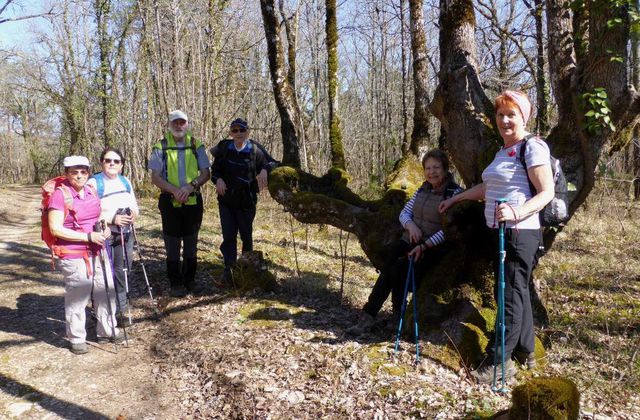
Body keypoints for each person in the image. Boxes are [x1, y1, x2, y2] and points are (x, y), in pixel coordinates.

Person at [438, 90, 554, 383]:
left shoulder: (533, 147)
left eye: (511, 114)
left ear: (523, 117)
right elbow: (487, 189)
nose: (504, 120)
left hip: (519, 232)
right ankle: (527, 351)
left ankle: (500, 362)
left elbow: (546, 192)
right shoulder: (503, 152)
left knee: (509, 295)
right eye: (500, 115)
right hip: (500, 232)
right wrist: (456, 199)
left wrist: (517, 212)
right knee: (516, 290)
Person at [347, 149, 462, 335]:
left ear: (446, 169)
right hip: (409, 239)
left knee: (398, 270)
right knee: (388, 269)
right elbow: (404, 213)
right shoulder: (422, 189)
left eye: (436, 167)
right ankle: (368, 315)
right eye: (428, 168)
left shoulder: (454, 194)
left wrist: (425, 244)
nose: (432, 172)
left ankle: (396, 316)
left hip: (432, 247)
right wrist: (411, 226)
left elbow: (449, 230)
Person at [47, 155, 121, 354]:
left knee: (106, 290)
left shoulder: (91, 190)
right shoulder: (60, 195)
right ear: (67, 173)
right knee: (79, 294)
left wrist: (104, 229)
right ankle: (77, 337)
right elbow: (55, 229)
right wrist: (87, 236)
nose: (79, 176)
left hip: (98, 247)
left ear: (88, 172)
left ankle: (107, 330)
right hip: (74, 253)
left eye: (83, 171)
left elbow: (97, 216)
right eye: (74, 172)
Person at [149, 110, 210, 297]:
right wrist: (175, 190)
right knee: (172, 243)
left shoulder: (196, 145)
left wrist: (190, 187)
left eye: (182, 122)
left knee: (191, 241)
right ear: (169, 124)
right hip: (169, 201)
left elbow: (206, 173)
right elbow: (155, 177)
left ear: (187, 124)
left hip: (193, 200)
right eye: (175, 122)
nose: (178, 126)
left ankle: (190, 280)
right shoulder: (161, 146)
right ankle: (175, 282)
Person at [210, 118, 278, 285]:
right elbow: (215, 170)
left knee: (246, 236)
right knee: (228, 236)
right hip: (226, 200)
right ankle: (229, 269)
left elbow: (274, 163)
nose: (238, 133)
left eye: (242, 130)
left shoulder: (255, 150)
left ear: (247, 132)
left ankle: (247, 270)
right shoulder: (224, 148)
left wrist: (264, 169)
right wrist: (217, 179)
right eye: (235, 130)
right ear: (230, 133)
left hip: (247, 201)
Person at [88, 148, 140, 327]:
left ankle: (120, 310)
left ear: (122, 165)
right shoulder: (94, 183)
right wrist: (111, 218)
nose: (112, 164)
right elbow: (88, 213)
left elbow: (134, 206)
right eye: (108, 160)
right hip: (104, 234)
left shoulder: (125, 181)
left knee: (122, 271)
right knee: (103, 273)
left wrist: (133, 214)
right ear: (101, 162)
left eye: (116, 161)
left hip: (125, 233)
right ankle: (100, 310)